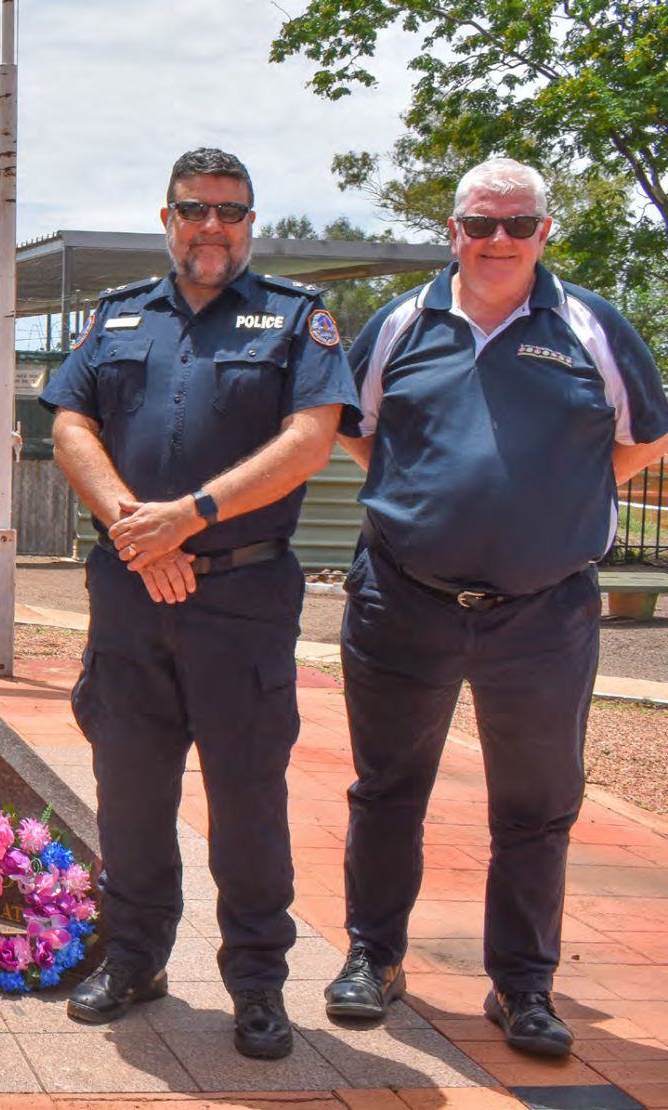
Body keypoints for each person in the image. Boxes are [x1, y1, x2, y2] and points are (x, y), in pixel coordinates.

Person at [325, 157, 668, 1056]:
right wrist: (422, 507)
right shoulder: (403, 323)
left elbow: (643, 440)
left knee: (536, 804)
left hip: (543, 613)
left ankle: (522, 988)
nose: (498, 241)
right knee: (388, 791)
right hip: (404, 601)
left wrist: (553, 511)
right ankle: (374, 956)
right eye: (481, 225)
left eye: (518, 225)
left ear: (546, 232)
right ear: (454, 231)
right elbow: (352, 432)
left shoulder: (590, 324)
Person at [40, 148, 357, 1059]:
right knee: (129, 789)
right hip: (134, 593)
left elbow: (310, 441)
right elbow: (70, 423)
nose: (210, 226)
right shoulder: (118, 316)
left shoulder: (297, 320)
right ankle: (134, 958)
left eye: (229, 211)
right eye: (193, 209)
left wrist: (193, 516)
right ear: (168, 219)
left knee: (248, 798)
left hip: (243, 594)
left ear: (251, 222)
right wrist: (136, 529)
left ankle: (258, 983)